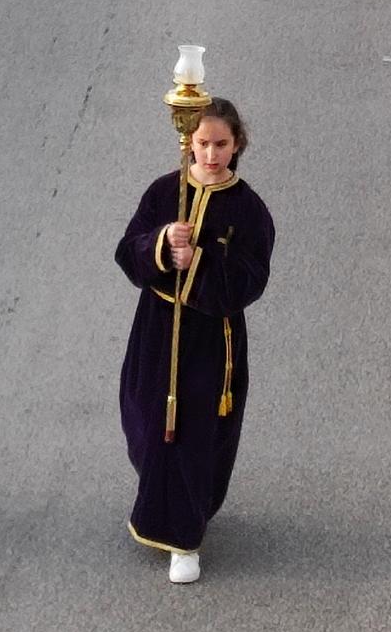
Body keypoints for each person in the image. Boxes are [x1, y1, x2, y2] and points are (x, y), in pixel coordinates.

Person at [115, 98, 275, 584]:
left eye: (220, 144)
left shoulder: (249, 210)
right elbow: (127, 251)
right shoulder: (165, 192)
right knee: (147, 422)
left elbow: (253, 278)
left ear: (237, 145)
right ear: (190, 143)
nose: (210, 154)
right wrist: (162, 244)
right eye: (203, 144)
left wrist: (200, 262)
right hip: (158, 327)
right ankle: (170, 499)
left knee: (188, 434)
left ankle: (183, 539)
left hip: (210, 338)